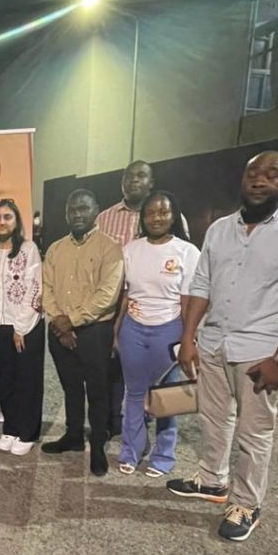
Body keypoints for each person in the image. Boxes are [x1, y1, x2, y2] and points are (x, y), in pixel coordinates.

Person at [168, 151, 278, 542]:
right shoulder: (220, 229)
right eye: (253, 173)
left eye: (271, 175)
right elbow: (201, 285)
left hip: (261, 351)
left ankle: (246, 504)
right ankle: (212, 480)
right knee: (212, 418)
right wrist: (188, 338)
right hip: (213, 342)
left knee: (254, 432)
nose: (259, 180)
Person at [97, 160, 189, 437]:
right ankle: (118, 423)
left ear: (151, 182)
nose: (133, 180)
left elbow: (183, 275)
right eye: (128, 176)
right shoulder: (104, 218)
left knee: (162, 378)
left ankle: (156, 431)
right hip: (114, 306)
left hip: (163, 316)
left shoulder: (172, 224)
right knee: (115, 368)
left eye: (141, 176)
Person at [114, 191, 199, 477]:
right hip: (133, 329)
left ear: (174, 216)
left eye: (163, 212)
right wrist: (116, 330)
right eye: (150, 213)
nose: (156, 218)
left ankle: (163, 456)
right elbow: (125, 294)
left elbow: (188, 301)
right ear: (142, 217)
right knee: (134, 393)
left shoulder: (187, 252)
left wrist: (189, 339)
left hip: (170, 328)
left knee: (166, 396)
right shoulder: (131, 249)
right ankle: (131, 450)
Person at [42, 189, 123, 476]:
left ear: (96, 210)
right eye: (72, 209)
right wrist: (59, 321)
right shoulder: (55, 249)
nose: (78, 214)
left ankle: (98, 442)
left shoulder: (110, 248)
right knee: (71, 387)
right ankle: (74, 435)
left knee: (97, 390)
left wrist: (72, 321)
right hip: (59, 330)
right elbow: (46, 288)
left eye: (84, 208)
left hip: (94, 331)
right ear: (66, 213)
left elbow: (107, 295)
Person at [0, 200, 44, 456]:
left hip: (24, 326)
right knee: (5, 378)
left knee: (27, 380)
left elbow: (35, 288)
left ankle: (28, 431)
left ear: (16, 221)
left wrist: (20, 327)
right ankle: (10, 426)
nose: (2, 222)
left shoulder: (29, 249)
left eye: (7, 217)